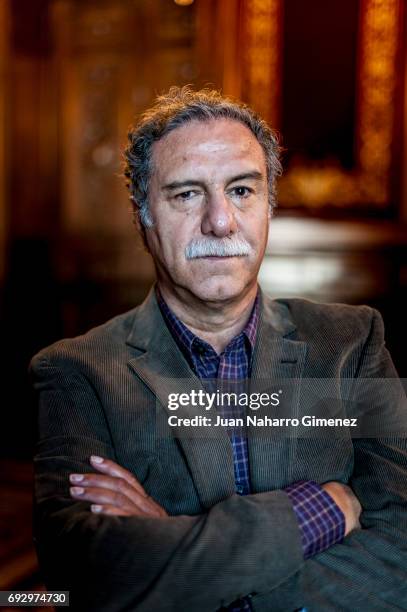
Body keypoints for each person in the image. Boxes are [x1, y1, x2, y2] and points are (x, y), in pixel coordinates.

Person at [30, 87, 407, 611]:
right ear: (143, 214)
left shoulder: (353, 342)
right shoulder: (76, 371)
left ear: (268, 205)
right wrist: (313, 513)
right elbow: (82, 571)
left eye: (242, 191)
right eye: (186, 194)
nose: (221, 221)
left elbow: (401, 545)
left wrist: (192, 560)